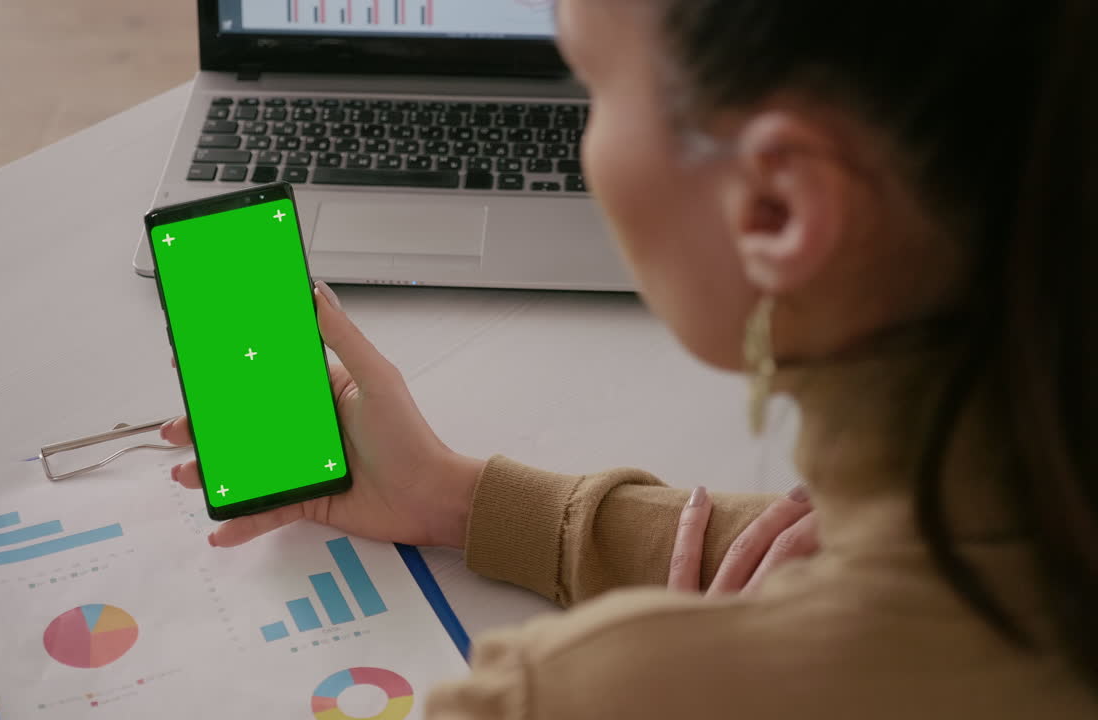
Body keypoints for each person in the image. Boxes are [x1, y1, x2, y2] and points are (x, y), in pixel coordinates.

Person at [163, 0, 1098, 716]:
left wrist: (669, 673)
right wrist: (459, 499)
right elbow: (832, 547)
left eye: (593, 87)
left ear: (776, 208)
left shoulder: (580, 696)